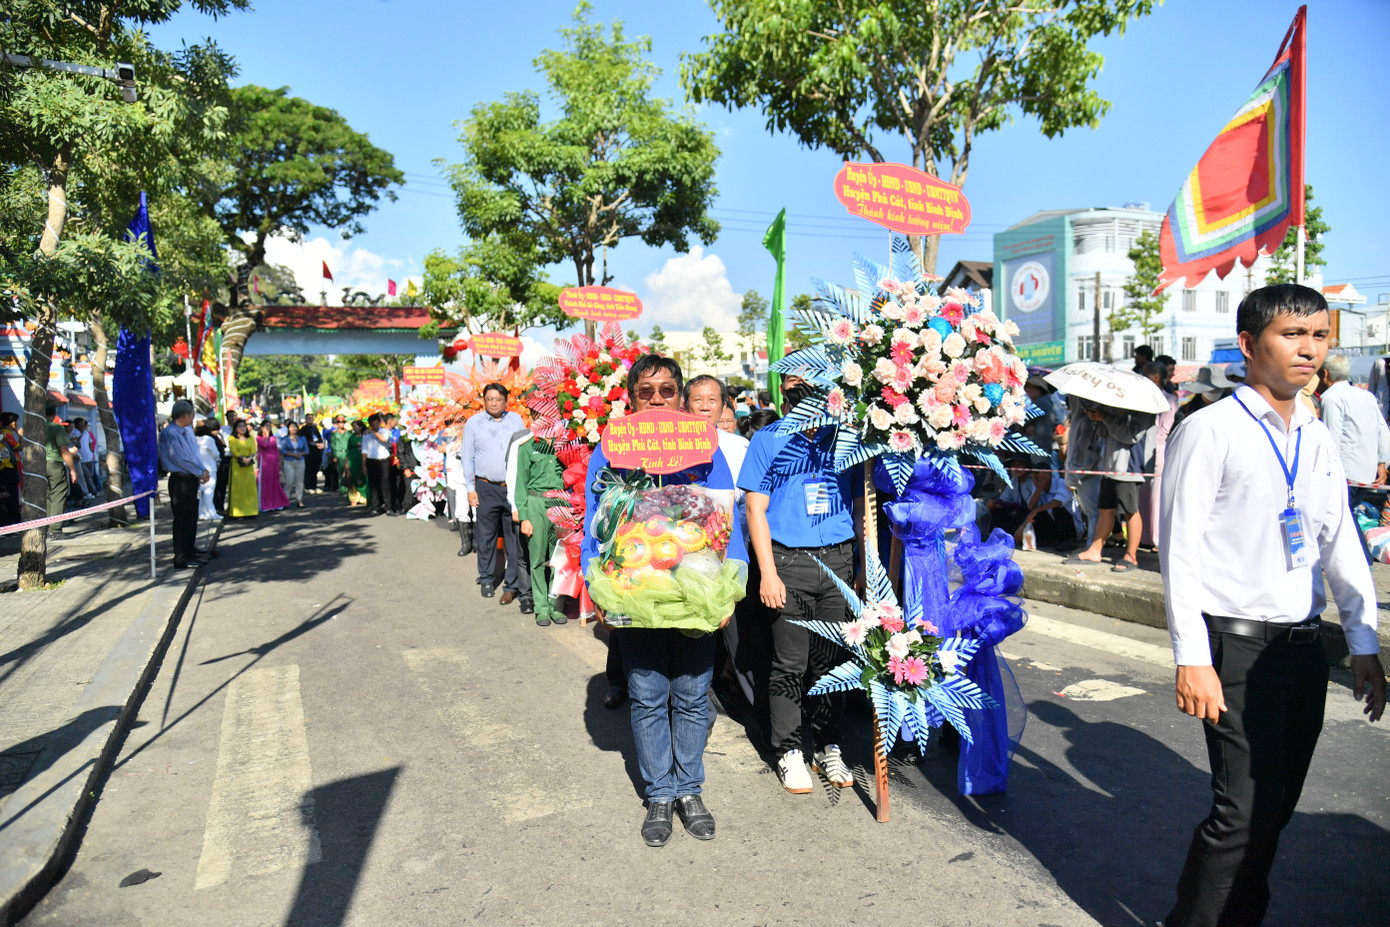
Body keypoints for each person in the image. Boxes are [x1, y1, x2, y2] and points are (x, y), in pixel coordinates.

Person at [1159, 284, 1385, 927]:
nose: (1308, 349)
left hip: (1302, 647)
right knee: (1241, 814)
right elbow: (1179, 552)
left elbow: (1340, 542)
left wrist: (1364, 645)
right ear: (1249, 344)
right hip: (1234, 646)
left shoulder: (1316, 434)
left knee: (1275, 808)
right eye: (1292, 334)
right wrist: (1192, 658)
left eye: (1318, 336)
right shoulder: (1210, 430)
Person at [582, 354, 746, 846]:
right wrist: (595, 584)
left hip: (696, 591)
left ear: (679, 396)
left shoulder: (705, 446)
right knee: (648, 695)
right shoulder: (611, 448)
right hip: (633, 592)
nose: (657, 399)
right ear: (631, 398)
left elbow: (727, 520)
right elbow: (594, 522)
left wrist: (729, 589)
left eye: (667, 390)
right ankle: (659, 794)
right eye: (646, 392)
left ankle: (689, 791)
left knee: (693, 695)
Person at [739, 374, 861, 794]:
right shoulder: (768, 440)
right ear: (784, 394)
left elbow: (861, 502)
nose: (801, 393)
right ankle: (789, 749)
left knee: (831, 664)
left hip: (838, 561)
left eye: (810, 385)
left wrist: (862, 566)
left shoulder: (846, 439)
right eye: (793, 387)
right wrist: (768, 572)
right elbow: (755, 510)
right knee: (789, 662)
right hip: (788, 562)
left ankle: (828, 745)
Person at [1066, 401, 1151, 572]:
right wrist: (1097, 418)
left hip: (1129, 468)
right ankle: (1095, 550)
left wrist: (1106, 418)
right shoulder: (1116, 403)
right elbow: (1105, 433)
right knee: (1105, 510)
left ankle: (1131, 556)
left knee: (1130, 511)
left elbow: (1130, 435)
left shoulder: (1143, 406)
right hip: (1109, 466)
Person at [462, 384, 525, 601]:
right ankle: (486, 578)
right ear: (484, 400)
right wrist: (470, 488)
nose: (494, 403)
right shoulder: (473, 423)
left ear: (506, 401)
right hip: (486, 487)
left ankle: (512, 584)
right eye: (489, 399)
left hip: (512, 487)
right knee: (486, 535)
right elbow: (467, 457)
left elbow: (523, 452)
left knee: (513, 537)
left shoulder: (516, 420)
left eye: (498, 399)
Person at [512, 432, 562, 625]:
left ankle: (555, 606)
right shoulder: (527, 447)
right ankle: (541, 608)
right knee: (538, 558)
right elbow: (520, 483)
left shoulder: (565, 445)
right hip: (536, 502)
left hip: (559, 502)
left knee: (559, 557)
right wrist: (524, 517)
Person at [157, 400, 211, 569]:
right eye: (192, 415)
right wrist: (199, 471)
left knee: (191, 517)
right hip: (180, 480)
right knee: (182, 519)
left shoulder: (186, 431)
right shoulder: (170, 433)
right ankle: (181, 556)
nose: (193, 418)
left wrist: (201, 470)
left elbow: (194, 455)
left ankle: (190, 550)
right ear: (185, 415)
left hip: (191, 478)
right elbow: (180, 458)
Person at [1140, 361, 1181, 548]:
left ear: (1156, 378)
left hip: (1158, 450)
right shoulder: (1142, 398)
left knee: (1156, 497)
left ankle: (1157, 538)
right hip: (1143, 451)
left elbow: (1164, 429)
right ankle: (1145, 537)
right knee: (1143, 496)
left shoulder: (1168, 400)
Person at [43, 402, 77, 530]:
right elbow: (64, 450)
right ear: (54, 414)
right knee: (58, 494)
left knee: (47, 496)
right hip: (54, 464)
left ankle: (47, 525)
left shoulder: (35, 427)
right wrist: (72, 469)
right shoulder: (56, 428)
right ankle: (55, 528)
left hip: (39, 465)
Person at [226, 419, 259, 518]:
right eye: (240, 426)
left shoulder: (250, 438)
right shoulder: (232, 438)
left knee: (249, 487)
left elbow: (253, 449)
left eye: (244, 426)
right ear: (235, 428)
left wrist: (249, 457)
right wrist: (242, 458)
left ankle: (251, 511)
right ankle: (237, 512)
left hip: (248, 465)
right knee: (238, 488)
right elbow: (233, 450)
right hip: (237, 465)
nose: (242, 428)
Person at [256, 421, 290, 513]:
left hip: (274, 462)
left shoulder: (273, 438)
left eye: (269, 426)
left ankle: (276, 502)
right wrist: (266, 435)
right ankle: (265, 503)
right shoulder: (259, 438)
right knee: (266, 482)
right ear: (262, 427)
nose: (268, 428)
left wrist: (279, 462)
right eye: (266, 426)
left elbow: (276, 450)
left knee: (274, 481)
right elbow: (265, 445)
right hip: (265, 462)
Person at [361, 413, 391, 516]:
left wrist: (373, 432)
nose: (375, 426)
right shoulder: (366, 434)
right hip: (371, 460)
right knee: (373, 485)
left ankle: (388, 506)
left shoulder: (385, 431)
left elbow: (383, 439)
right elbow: (364, 450)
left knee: (385, 483)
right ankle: (375, 507)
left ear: (380, 423)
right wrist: (364, 465)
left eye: (376, 424)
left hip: (383, 460)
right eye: (373, 425)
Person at [194, 420, 223, 522]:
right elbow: (215, 453)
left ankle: (202, 513)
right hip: (210, 467)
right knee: (209, 492)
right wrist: (218, 460)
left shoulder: (195, 439)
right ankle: (211, 513)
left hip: (198, 468)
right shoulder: (209, 439)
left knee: (201, 492)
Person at [68, 417, 100, 500]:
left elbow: (90, 442)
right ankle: (92, 492)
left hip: (89, 457)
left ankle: (90, 492)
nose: (83, 425)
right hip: (81, 459)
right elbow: (75, 445)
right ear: (76, 425)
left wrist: (91, 452)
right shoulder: (74, 433)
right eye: (80, 424)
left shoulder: (86, 432)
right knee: (86, 477)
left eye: (83, 424)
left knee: (90, 476)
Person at [279, 421, 308, 509]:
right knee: (289, 481)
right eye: (291, 427)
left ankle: (299, 500)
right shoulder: (285, 439)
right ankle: (285, 500)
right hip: (289, 461)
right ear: (288, 429)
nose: (293, 429)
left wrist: (301, 454)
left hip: (300, 460)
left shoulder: (302, 438)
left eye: (295, 427)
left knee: (300, 481)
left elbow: (307, 450)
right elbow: (282, 450)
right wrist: (292, 454)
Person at [0, 412, 22, 526]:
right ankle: (13, 522)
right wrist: (21, 435)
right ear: (12, 423)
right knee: (11, 497)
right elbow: (20, 447)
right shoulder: (6, 435)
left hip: (8, 469)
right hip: (7, 470)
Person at [344, 421, 368, 506]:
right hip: (353, 459)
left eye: (355, 426)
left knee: (364, 478)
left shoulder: (366, 436)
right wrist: (346, 462)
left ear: (360, 427)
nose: (354, 428)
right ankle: (354, 498)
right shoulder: (351, 438)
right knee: (354, 478)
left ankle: (364, 497)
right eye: (353, 427)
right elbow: (348, 450)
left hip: (363, 459)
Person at [323, 414, 346, 494]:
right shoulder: (333, 432)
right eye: (339, 422)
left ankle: (346, 488)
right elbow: (332, 443)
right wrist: (334, 455)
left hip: (345, 453)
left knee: (346, 471)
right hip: (335, 453)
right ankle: (336, 487)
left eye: (343, 422)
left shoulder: (348, 432)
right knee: (335, 471)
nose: (341, 424)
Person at [301, 413, 324, 494]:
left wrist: (321, 444)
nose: (310, 420)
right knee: (308, 470)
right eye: (308, 418)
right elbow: (303, 441)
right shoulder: (303, 429)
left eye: (311, 418)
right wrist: (314, 444)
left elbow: (319, 438)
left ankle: (314, 486)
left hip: (316, 452)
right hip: (308, 452)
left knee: (315, 469)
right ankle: (308, 487)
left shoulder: (315, 428)